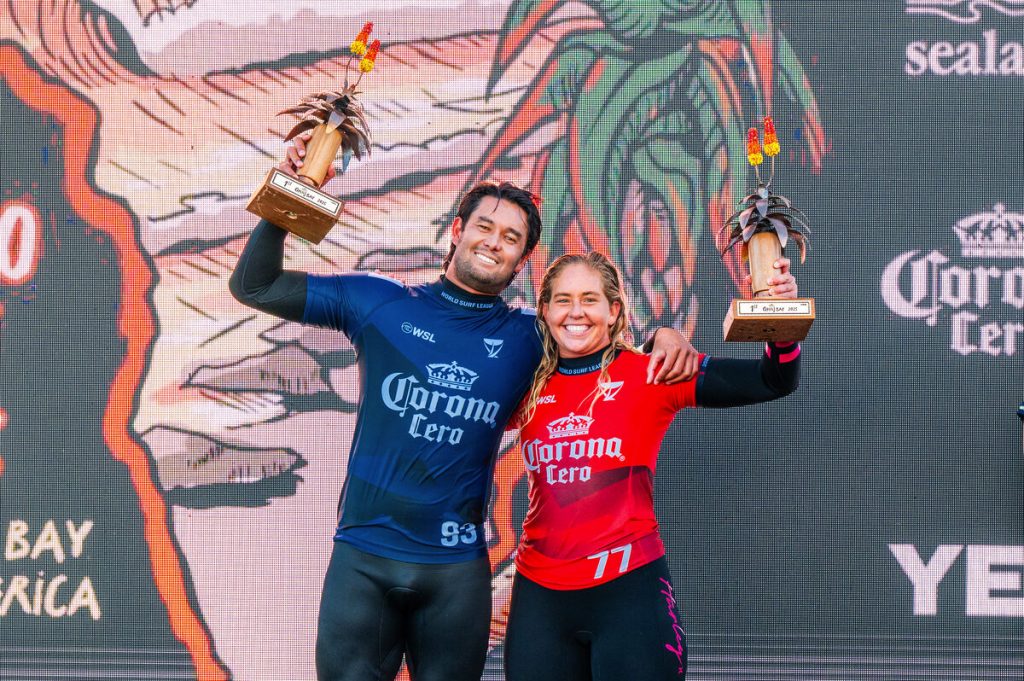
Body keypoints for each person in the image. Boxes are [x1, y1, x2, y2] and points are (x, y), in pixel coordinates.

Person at [227, 133, 700, 681]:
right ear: (457, 231)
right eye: (484, 226)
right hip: (363, 559)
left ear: (523, 260)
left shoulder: (530, 337)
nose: (494, 242)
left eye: (511, 238)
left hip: (455, 574)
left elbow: (598, 340)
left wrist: (662, 334)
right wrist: (293, 192)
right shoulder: (378, 303)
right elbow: (254, 286)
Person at [503, 251, 803, 680]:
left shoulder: (652, 372)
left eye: (589, 299)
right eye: (562, 300)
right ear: (545, 310)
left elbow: (773, 380)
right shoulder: (522, 384)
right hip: (540, 598)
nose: (575, 312)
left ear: (614, 310)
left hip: (629, 590)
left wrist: (780, 318)